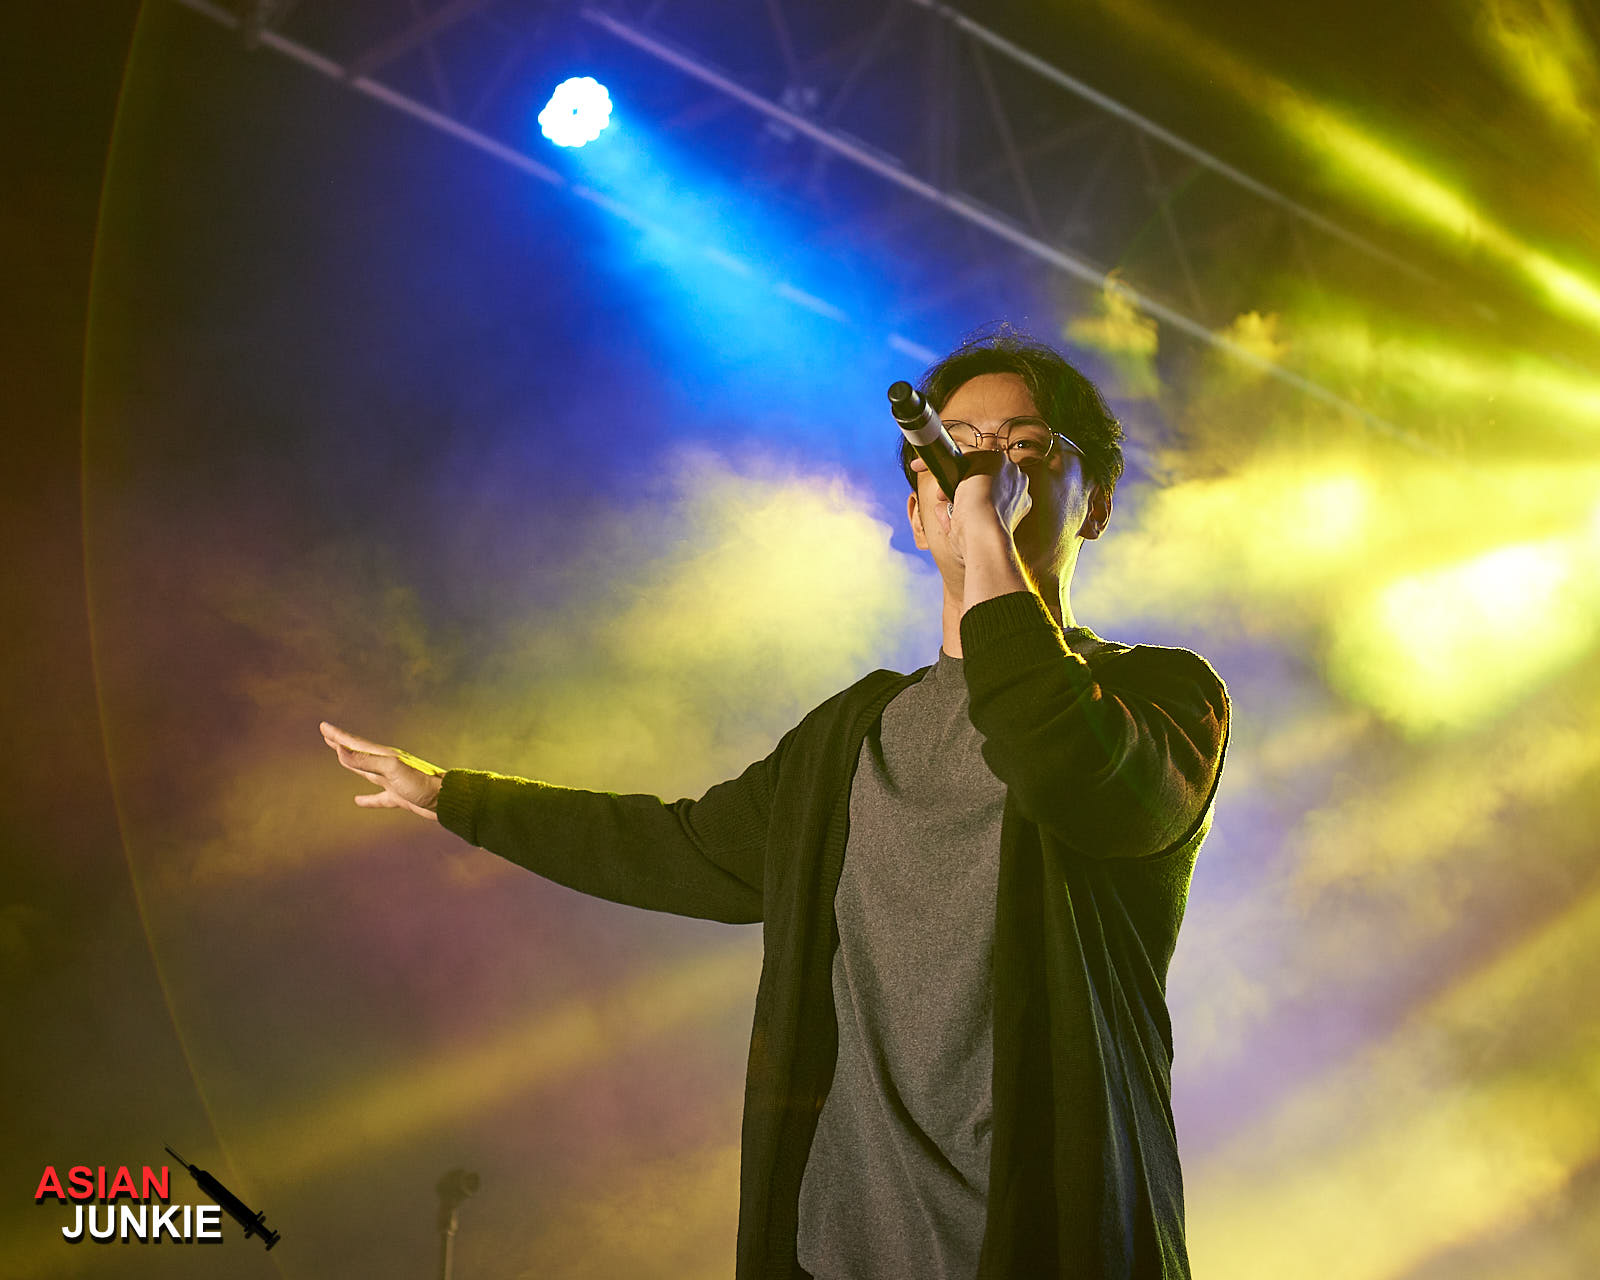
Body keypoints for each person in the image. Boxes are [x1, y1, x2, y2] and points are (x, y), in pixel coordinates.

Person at [322, 330, 1229, 1279]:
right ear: (917, 514)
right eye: (955, 449)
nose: (981, 473)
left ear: (1097, 506)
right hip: (841, 1254)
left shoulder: (1160, 697)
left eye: (1023, 448)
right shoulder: (852, 736)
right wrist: (453, 797)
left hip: (1052, 1246)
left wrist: (994, 542)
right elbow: (680, 847)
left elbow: (1066, 764)